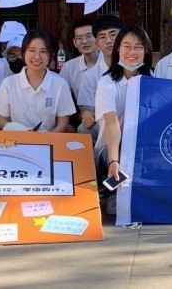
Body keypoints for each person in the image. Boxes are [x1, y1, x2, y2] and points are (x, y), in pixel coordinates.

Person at [96, 25, 153, 215]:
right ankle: (114, 191)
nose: (132, 52)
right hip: (113, 147)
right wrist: (114, 161)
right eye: (127, 46)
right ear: (118, 49)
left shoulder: (152, 79)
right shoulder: (107, 83)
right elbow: (112, 123)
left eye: (138, 47)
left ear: (146, 51)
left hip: (142, 145)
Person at [0, 29, 75, 133]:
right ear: (23, 53)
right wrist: (23, 130)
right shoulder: (8, 83)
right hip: (18, 139)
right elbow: (1, 121)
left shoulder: (60, 84)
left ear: (51, 55)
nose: (37, 56)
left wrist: (47, 138)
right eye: (32, 50)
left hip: (49, 139)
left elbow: (63, 123)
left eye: (43, 51)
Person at [77, 15, 125, 136]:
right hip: (104, 124)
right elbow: (88, 110)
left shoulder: (133, 68)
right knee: (83, 129)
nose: (108, 40)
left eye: (113, 34)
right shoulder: (90, 76)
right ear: (97, 44)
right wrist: (86, 114)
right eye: (102, 37)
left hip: (132, 121)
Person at [59, 17, 101, 131]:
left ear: (97, 38)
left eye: (89, 36)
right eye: (79, 38)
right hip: (88, 119)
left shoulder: (109, 62)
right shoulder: (69, 67)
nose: (85, 41)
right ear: (75, 42)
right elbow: (59, 95)